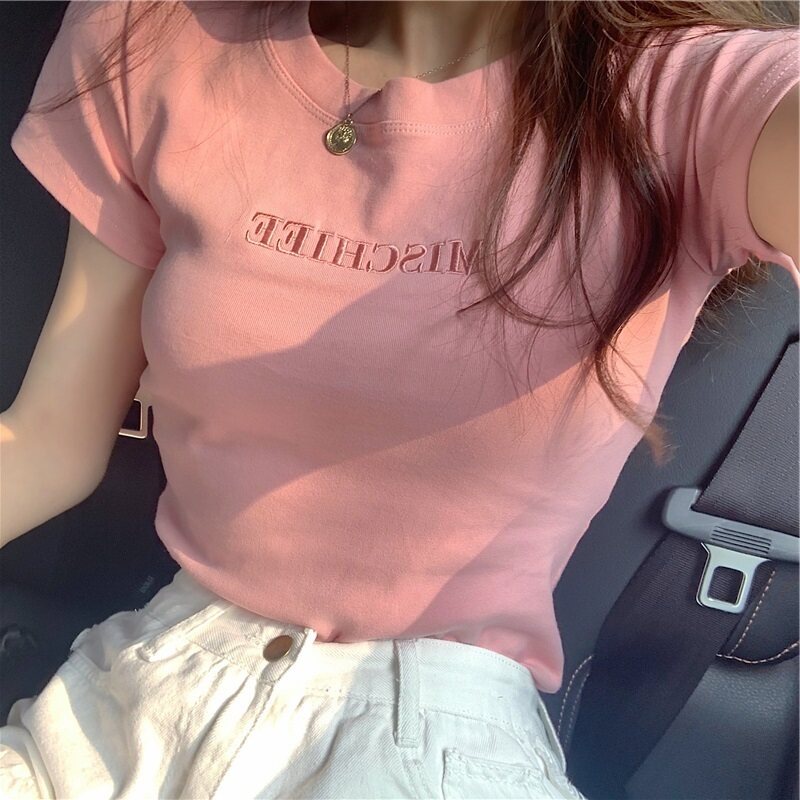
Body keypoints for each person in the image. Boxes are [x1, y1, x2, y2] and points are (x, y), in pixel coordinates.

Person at [0, 1, 797, 797]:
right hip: (132, 698)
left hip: (431, 740)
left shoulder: (688, 94)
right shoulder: (152, 29)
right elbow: (46, 441)